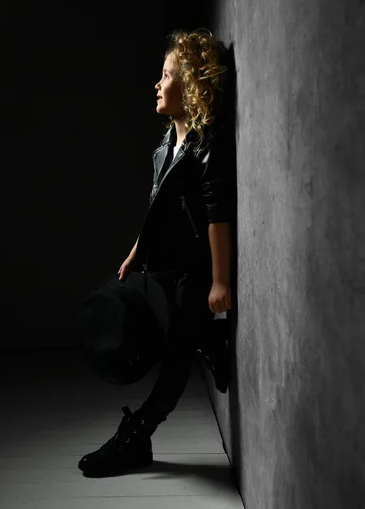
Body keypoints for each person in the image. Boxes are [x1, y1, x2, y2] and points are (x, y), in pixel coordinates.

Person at [78, 28, 236, 478]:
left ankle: (136, 437)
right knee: (148, 324)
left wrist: (221, 280)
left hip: (198, 271)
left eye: (166, 75)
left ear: (191, 86)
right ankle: (210, 340)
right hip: (170, 267)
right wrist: (134, 254)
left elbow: (217, 215)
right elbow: (155, 212)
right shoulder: (165, 147)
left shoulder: (209, 146)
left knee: (175, 360)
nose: (157, 84)